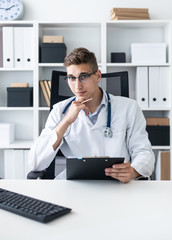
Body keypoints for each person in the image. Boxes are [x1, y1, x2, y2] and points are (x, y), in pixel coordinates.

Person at [28, 47, 154, 183]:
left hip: (117, 185)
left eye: (83, 77)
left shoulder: (129, 108)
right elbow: (36, 163)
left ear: (98, 76)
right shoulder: (60, 111)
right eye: (71, 78)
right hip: (76, 185)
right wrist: (66, 121)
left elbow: (144, 153)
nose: (77, 86)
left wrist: (132, 171)